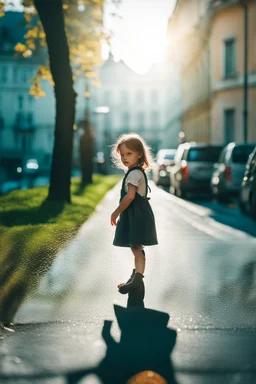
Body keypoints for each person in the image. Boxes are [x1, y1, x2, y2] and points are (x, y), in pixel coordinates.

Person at [110, 133, 158, 295]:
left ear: (139, 154)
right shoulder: (135, 172)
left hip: (136, 214)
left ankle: (137, 278)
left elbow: (130, 196)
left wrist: (116, 212)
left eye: (129, 154)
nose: (124, 157)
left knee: (136, 246)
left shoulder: (134, 174)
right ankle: (136, 276)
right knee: (136, 245)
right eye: (122, 154)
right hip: (137, 214)